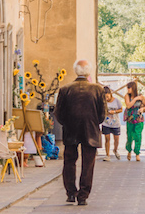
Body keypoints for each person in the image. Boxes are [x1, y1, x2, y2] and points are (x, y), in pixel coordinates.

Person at [53, 60, 106, 205]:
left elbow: (58, 113)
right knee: (88, 163)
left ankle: (71, 192)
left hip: (71, 129)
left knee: (69, 161)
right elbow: (103, 114)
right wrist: (95, 122)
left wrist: (67, 123)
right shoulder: (98, 90)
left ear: (75, 71)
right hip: (91, 129)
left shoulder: (65, 89)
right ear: (88, 72)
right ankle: (83, 195)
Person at [123, 81, 145, 162]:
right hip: (130, 119)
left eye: (129, 88)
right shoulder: (127, 96)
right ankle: (129, 151)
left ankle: (137, 153)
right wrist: (135, 99)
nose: (127, 89)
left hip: (138, 118)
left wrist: (143, 109)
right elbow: (128, 105)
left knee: (138, 136)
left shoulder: (141, 96)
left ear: (133, 88)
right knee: (130, 136)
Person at [101, 86, 123, 161]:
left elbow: (121, 109)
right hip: (106, 123)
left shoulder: (116, 101)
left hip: (115, 123)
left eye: (107, 97)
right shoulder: (103, 102)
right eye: (105, 97)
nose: (106, 99)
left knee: (116, 139)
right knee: (107, 138)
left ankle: (115, 149)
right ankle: (107, 155)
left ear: (110, 94)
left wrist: (114, 111)